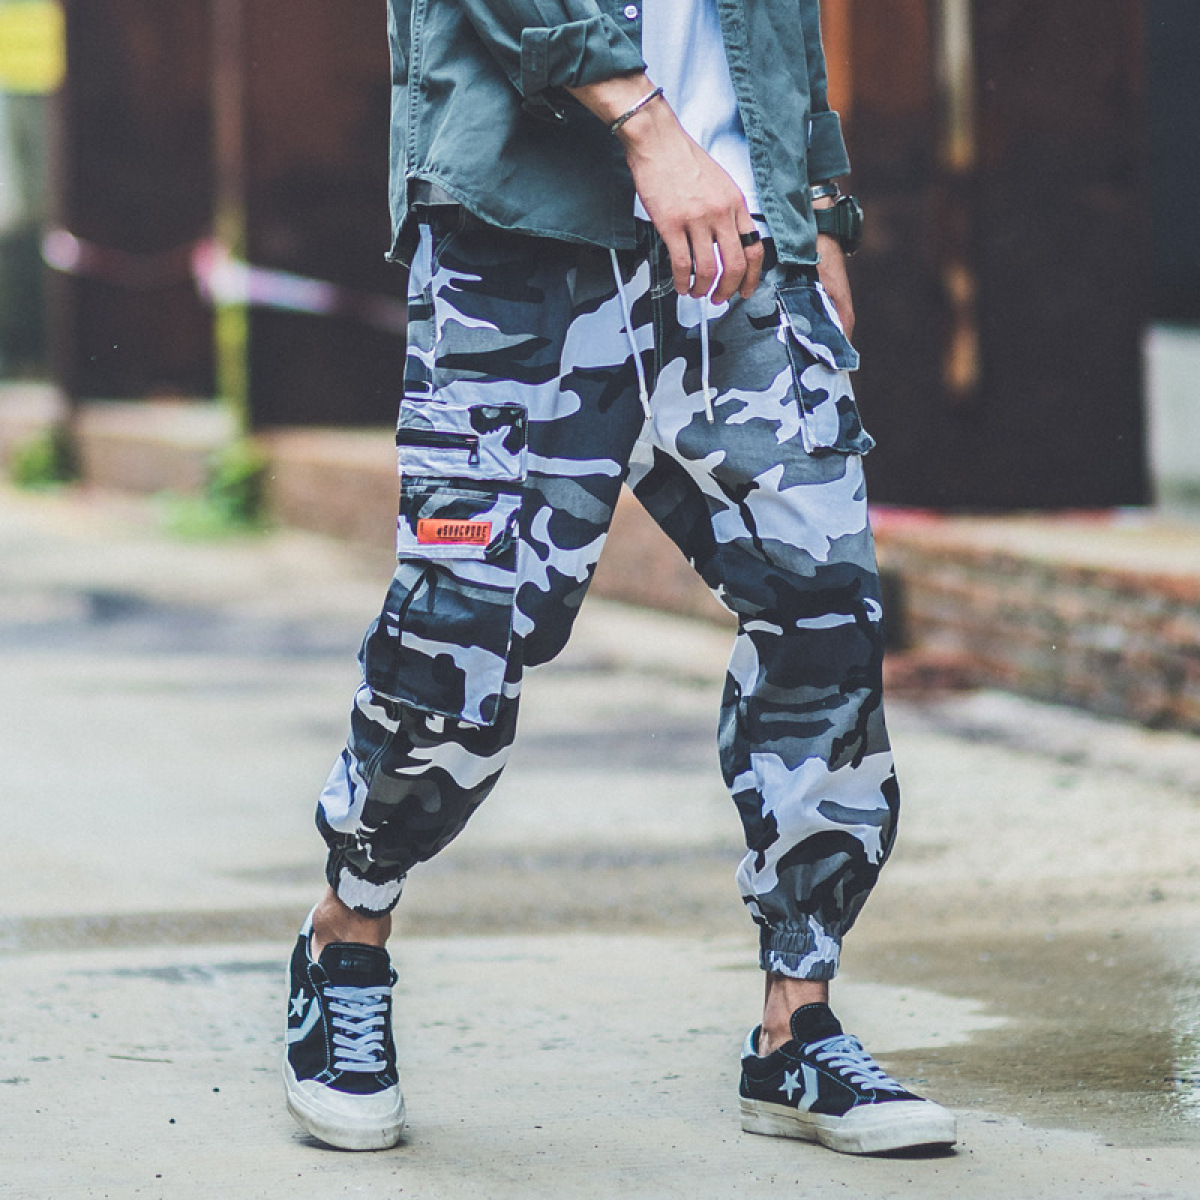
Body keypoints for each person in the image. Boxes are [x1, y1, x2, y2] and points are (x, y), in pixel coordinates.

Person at [284, 0, 956, 1157]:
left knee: (824, 613)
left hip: (740, 250)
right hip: (519, 239)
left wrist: (815, 211)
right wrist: (649, 129)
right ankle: (348, 934)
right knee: (461, 636)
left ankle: (796, 1022)